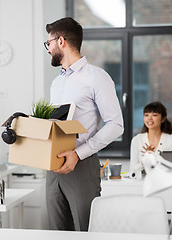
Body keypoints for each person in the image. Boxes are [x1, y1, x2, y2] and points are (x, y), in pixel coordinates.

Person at [45, 17, 124, 231]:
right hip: (53, 167)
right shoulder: (57, 82)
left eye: (49, 43)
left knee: (86, 230)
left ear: (61, 41)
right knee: (57, 231)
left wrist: (79, 154)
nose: (48, 49)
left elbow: (116, 124)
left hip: (81, 164)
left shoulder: (97, 77)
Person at [129, 101, 172, 175]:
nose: (149, 118)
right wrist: (145, 160)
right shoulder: (137, 140)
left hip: (166, 182)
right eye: (146, 115)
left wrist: (154, 157)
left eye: (154, 115)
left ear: (163, 119)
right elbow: (132, 170)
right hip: (143, 183)